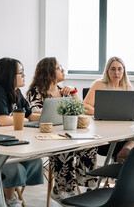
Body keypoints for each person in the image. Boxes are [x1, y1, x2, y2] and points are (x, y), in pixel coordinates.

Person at [83, 56, 134, 206]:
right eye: (113, 69)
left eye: (119, 69)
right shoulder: (99, 84)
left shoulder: (128, 87)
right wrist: (103, 111)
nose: (116, 72)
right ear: (107, 70)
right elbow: (85, 105)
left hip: (123, 135)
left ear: (124, 71)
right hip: (104, 138)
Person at [26, 57, 97, 204]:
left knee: (89, 145)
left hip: (65, 133)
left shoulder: (63, 91)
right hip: (43, 137)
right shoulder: (36, 92)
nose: (63, 70)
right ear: (50, 72)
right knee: (64, 148)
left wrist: (74, 93)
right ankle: (60, 190)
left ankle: (87, 188)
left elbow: (81, 111)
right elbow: (35, 116)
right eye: (60, 67)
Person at [0, 57, 44, 207]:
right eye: (21, 72)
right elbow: (3, 120)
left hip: (5, 143)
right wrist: (24, 120)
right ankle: (8, 200)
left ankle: (5, 194)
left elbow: (30, 115)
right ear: (9, 75)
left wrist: (48, 116)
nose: (25, 75)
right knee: (14, 167)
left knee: (35, 160)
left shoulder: (17, 92)